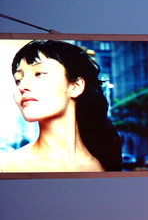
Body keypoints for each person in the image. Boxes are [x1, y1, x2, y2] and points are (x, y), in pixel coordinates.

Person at [0, 40, 121, 172]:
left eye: (39, 73)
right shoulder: (6, 167)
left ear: (76, 86)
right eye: (18, 80)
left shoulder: (104, 165)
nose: (22, 86)